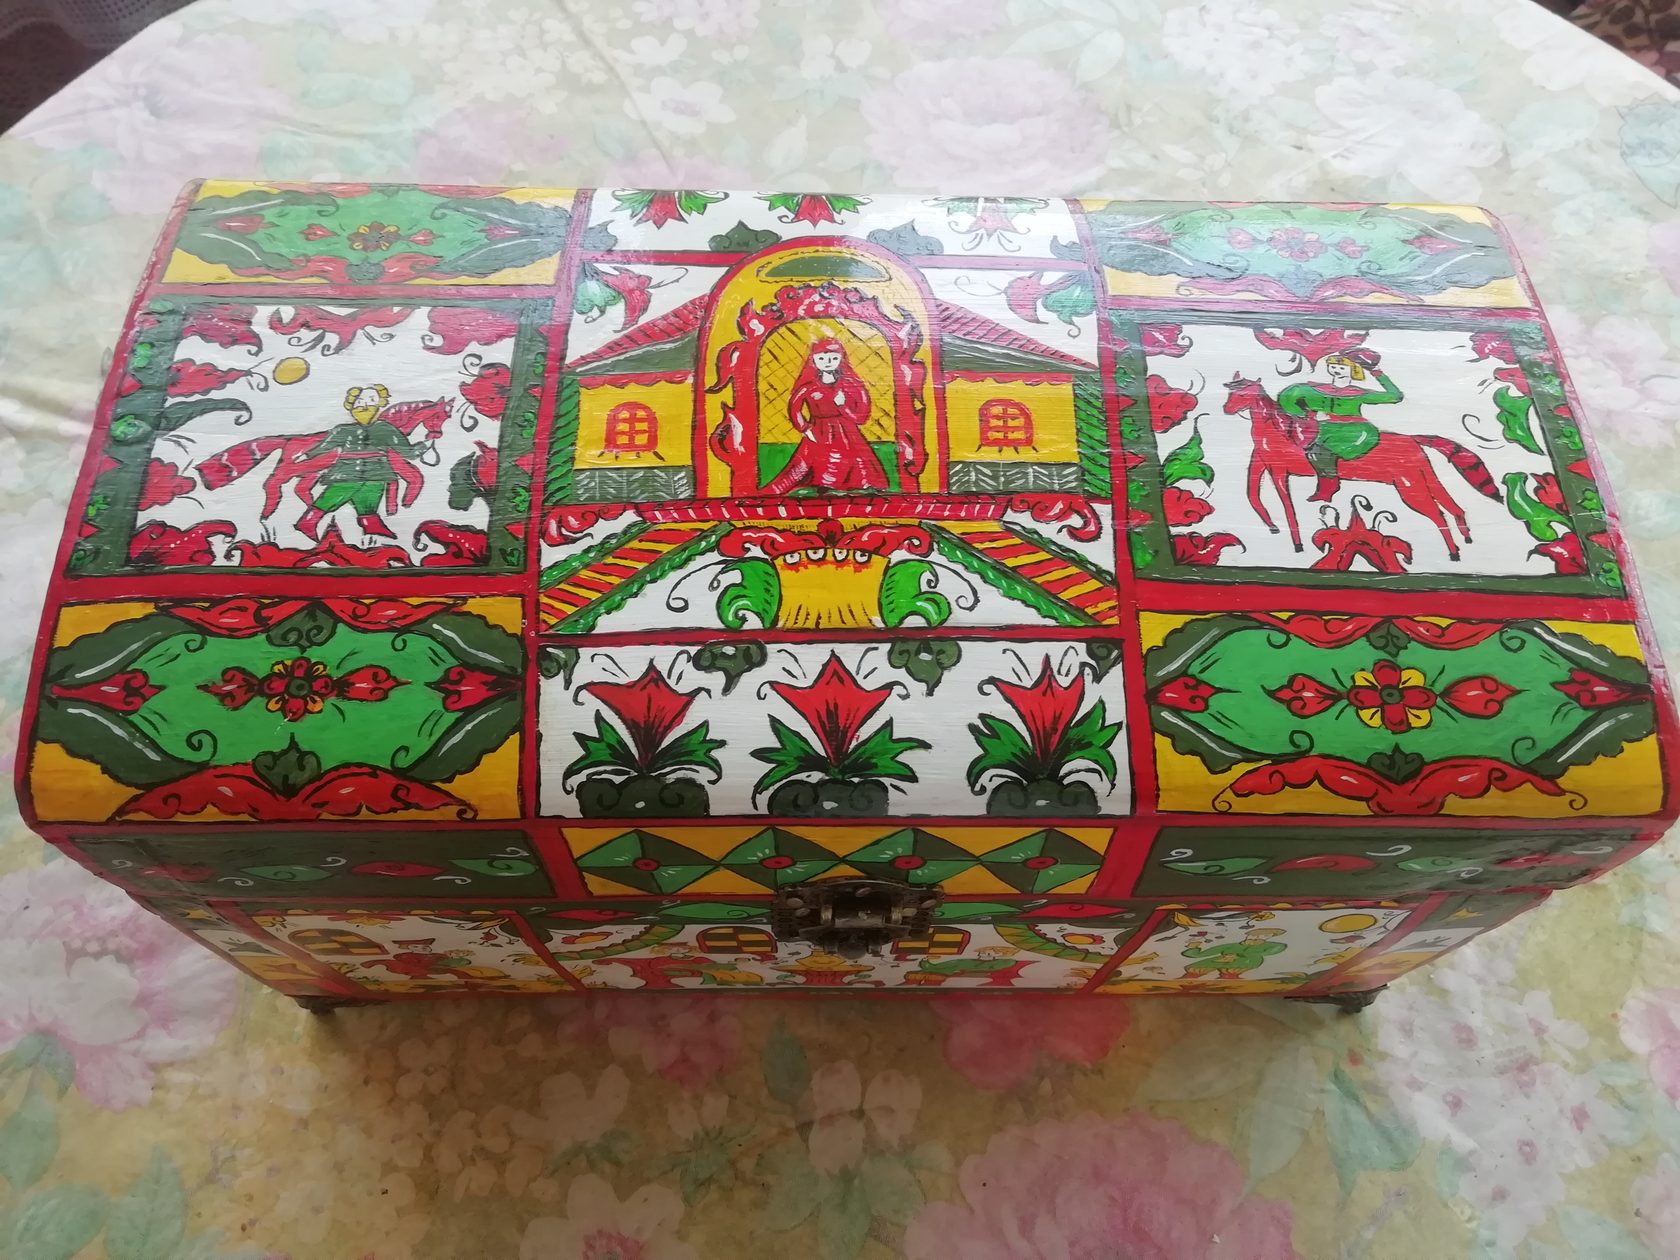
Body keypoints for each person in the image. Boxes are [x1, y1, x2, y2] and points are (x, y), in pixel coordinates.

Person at [760, 337, 890, 494]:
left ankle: (858, 484)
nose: (827, 362)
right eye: (821, 358)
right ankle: (824, 484)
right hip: (819, 431)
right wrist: (805, 428)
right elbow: (794, 407)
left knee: (855, 460)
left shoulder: (851, 384)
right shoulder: (809, 387)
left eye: (833, 358)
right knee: (818, 459)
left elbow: (862, 416)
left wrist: (843, 406)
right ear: (813, 360)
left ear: (841, 359)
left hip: (847, 433)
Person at [297, 384, 427, 539]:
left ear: (379, 404)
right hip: (347, 472)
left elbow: (406, 451)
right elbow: (322, 448)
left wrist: (423, 446)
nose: (365, 406)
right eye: (359, 402)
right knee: (334, 496)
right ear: (351, 406)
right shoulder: (342, 430)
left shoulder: (385, 429)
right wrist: (304, 458)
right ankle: (307, 522)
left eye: (371, 401)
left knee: (368, 502)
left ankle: (371, 525)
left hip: (377, 474)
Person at [1276, 348, 1403, 502]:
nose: (1336, 370)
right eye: (1333, 366)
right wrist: (1308, 415)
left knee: (1318, 452)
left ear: (1353, 370)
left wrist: (1376, 371)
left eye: (1342, 367)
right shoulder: (1314, 389)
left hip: (1353, 430)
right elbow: (1287, 396)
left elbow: (1395, 396)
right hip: (1323, 427)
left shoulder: (1358, 393)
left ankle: (1329, 486)